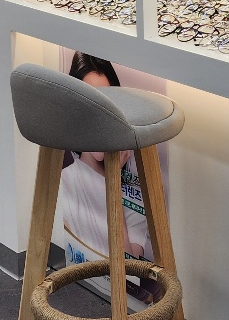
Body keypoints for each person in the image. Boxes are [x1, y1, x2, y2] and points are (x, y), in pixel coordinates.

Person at [59, 52, 157, 302]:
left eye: (107, 104)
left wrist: (114, 181)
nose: (99, 119)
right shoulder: (65, 180)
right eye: (89, 105)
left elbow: (129, 270)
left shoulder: (134, 192)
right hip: (80, 292)